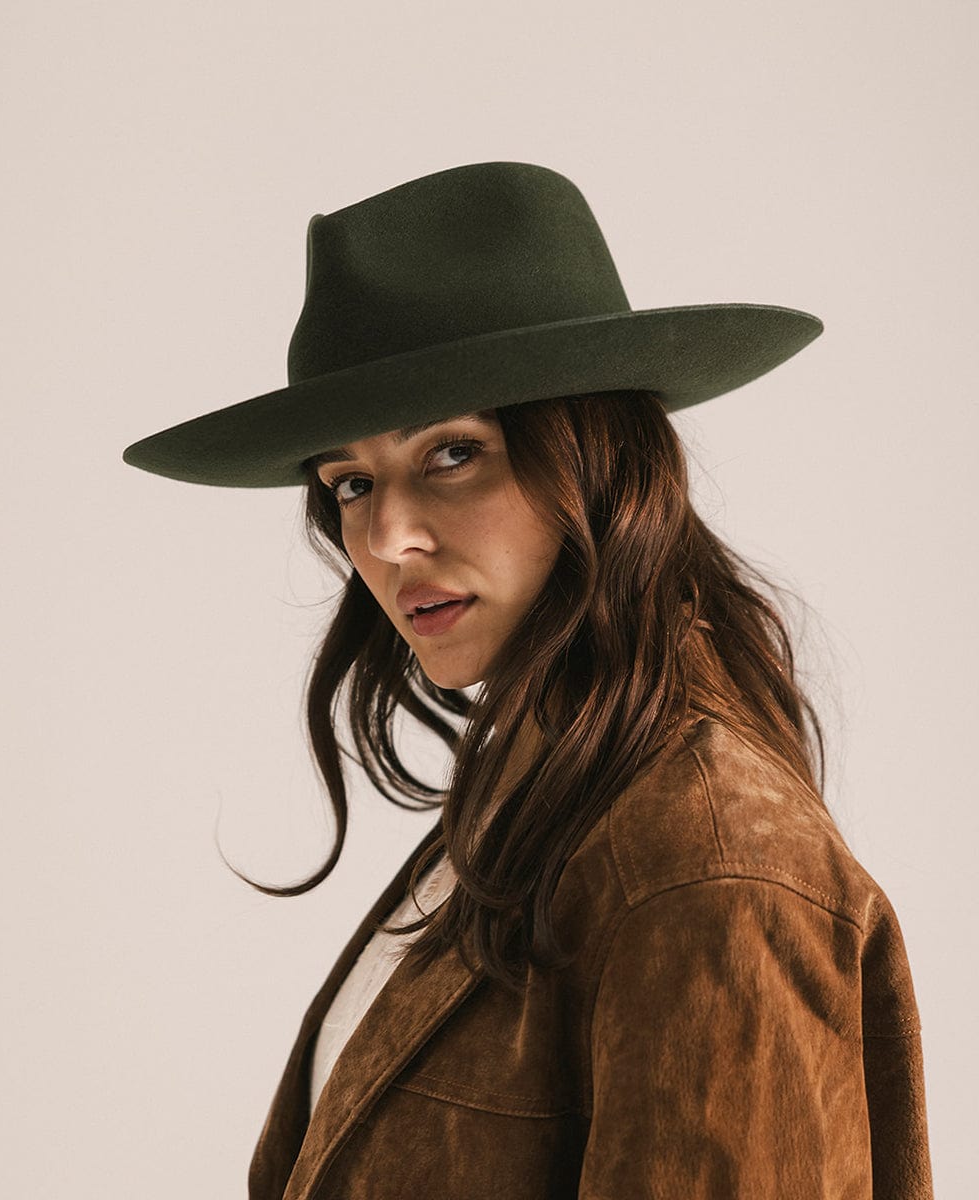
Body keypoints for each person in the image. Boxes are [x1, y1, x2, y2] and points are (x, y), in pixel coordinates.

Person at [122, 161, 934, 1199]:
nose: (387, 536)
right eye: (352, 482)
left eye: (453, 454)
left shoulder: (706, 863)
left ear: (599, 459)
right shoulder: (544, 781)